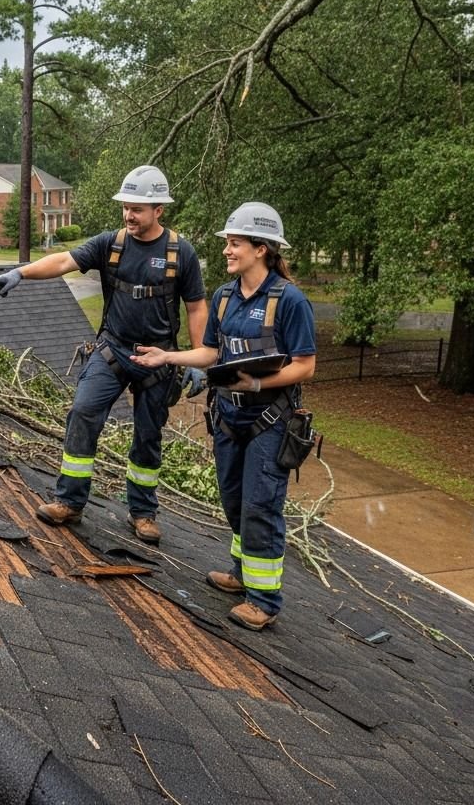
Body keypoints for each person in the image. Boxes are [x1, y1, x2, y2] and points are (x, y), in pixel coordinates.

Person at [0, 166, 208, 545]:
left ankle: (143, 512)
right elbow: (63, 261)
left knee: (148, 436)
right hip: (113, 350)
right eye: (125, 207)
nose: (128, 215)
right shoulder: (111, 244)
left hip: (157, 359)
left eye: (137, 209)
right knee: (84, 412)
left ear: (158, 211)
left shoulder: (179, 253)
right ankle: (69, 501)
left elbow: (197, 307)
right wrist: (21, 272)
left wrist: (198, 358)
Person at [131, 202, 316, 630]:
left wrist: (254, 385)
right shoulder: (225, 296)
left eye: (235, 244)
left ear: (261, 249)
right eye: (228, 243)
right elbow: (213, 351)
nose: (227, 251)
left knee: (260, 504)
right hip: (229, 418)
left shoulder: (289, 301)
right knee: (233, 500)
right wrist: (170, 356)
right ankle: (241, 572)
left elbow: (305, 365)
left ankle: (264, 600)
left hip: (270, 419)